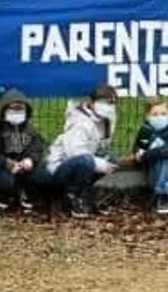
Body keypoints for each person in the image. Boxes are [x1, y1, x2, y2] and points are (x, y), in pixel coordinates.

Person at [46, 84, 119, 218]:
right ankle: (70, 195)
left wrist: (100, 161)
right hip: (59, 169)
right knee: (86, 161)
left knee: (111, 159)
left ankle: (83, 192)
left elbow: (102, 146)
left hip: (84, 160)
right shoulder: (80, 122)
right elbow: (75, 153)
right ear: (91, 102)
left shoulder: (104, 120)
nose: (107, 106)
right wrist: (98, 163)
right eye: (102, 102)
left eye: (111, 103)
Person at [0, 88, 48, 210]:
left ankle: (27, 193)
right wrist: (6, 162)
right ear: (4, 110)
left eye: (20, 109)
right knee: (4, 180)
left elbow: (37, 148)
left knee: (43, 176)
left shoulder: (31, 130)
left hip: (24, 167)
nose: (17, 112)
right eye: (13, 108)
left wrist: (29, 160)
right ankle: (3, 196)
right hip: (5, 168)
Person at [132, 96, 168, 214]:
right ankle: (161, 194)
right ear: (147, 116)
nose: (159, 117)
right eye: (155, 114)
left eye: (163, 113)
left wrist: (145, 154)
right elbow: (137, 151)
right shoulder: (145, 131)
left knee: (165, 157)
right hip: (154, 174)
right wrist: (139, 155)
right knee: (160, 155)